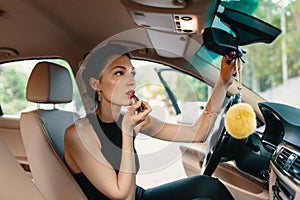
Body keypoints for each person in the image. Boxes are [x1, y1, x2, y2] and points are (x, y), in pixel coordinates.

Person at [64, 43, 236, 200]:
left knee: (207, 186)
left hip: (140, 196)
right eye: (119, 73)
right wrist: (127, 132)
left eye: (132, 73)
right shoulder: (79, 134)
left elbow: (198, 133)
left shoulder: (129, 119)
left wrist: (223, 82)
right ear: (96, 84)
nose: (131, 81)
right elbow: (124, 196)